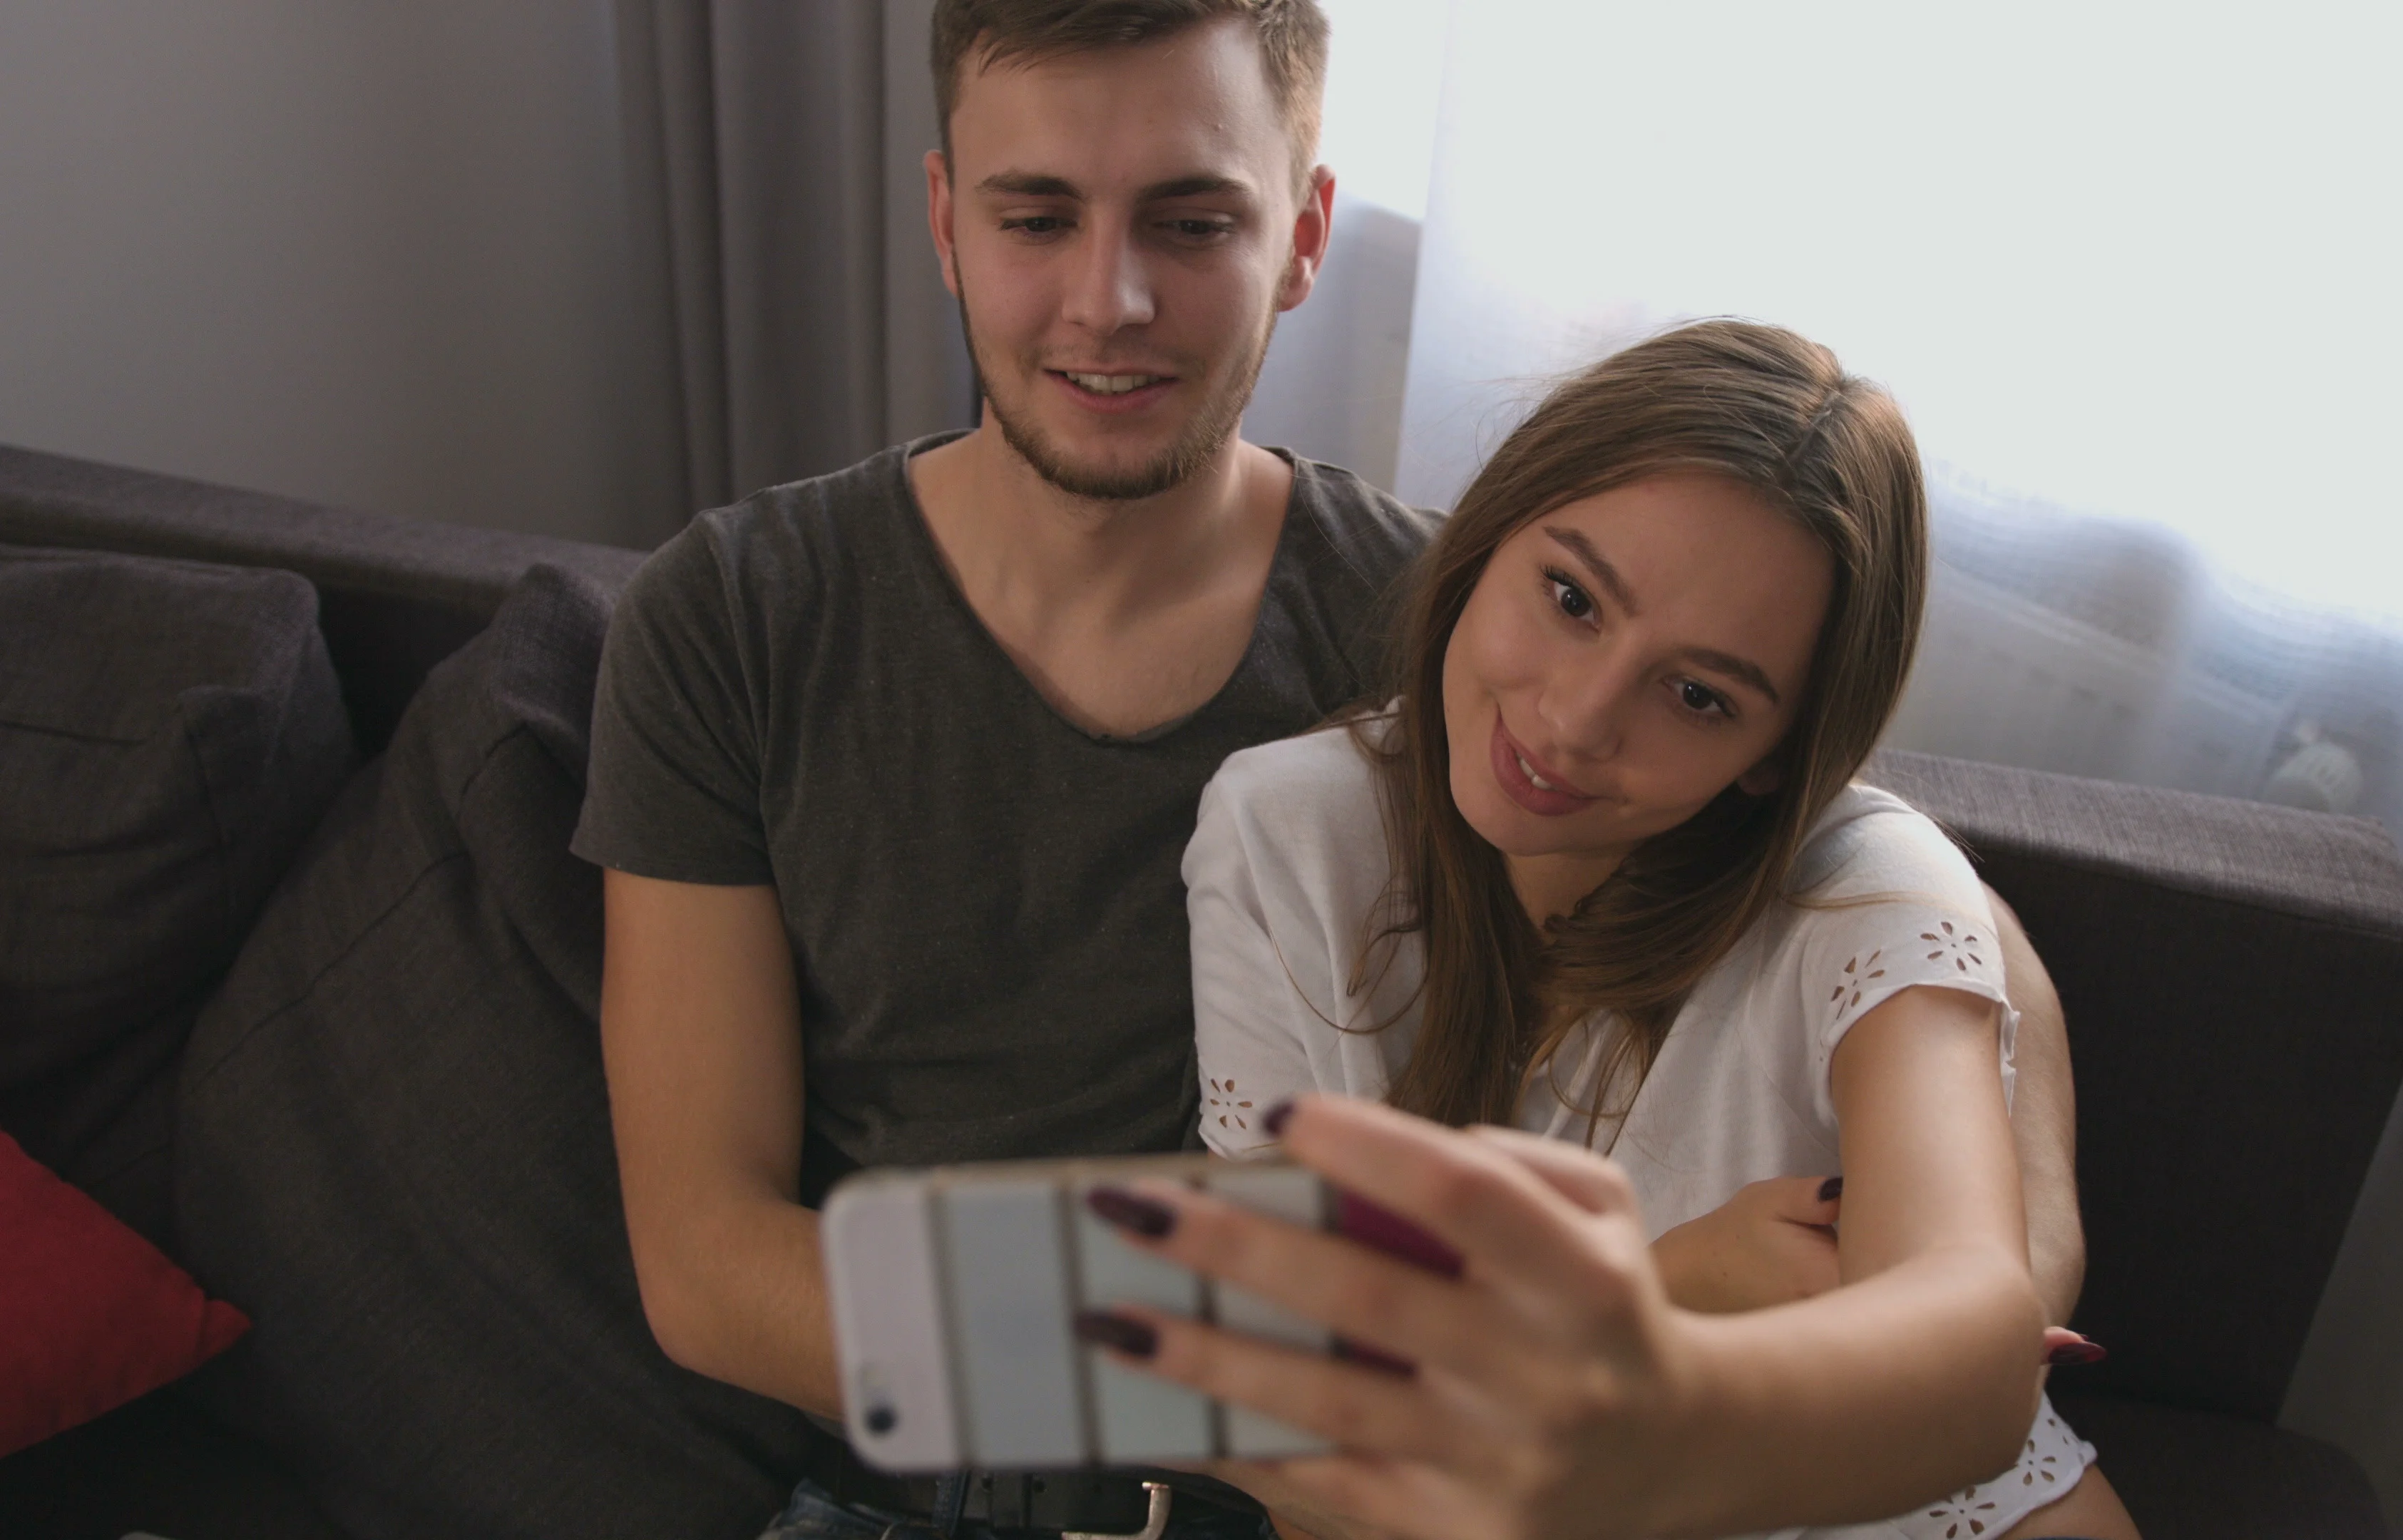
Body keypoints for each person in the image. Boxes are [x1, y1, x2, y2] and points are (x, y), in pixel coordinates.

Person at [575, 0, 2089, 1534]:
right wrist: (1640, 1289)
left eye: (1190, 220)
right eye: (1037, 215)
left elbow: (1894, 888)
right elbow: (711, 1271)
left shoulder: (1477, 637)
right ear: (945, 221)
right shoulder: (736, 617)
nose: (1109, 300)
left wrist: (2000, 1259)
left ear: (1303, 236)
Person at [1075, 321, 2136, 1538]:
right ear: (1487, 535)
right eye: (1572, 597)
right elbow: (1279, 1420)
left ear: (1775, 755)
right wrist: (1675, 1285)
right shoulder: (1285, 832)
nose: (1575, 721)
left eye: (1698, 696)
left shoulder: (1869, 891)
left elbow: (1968, 1343)